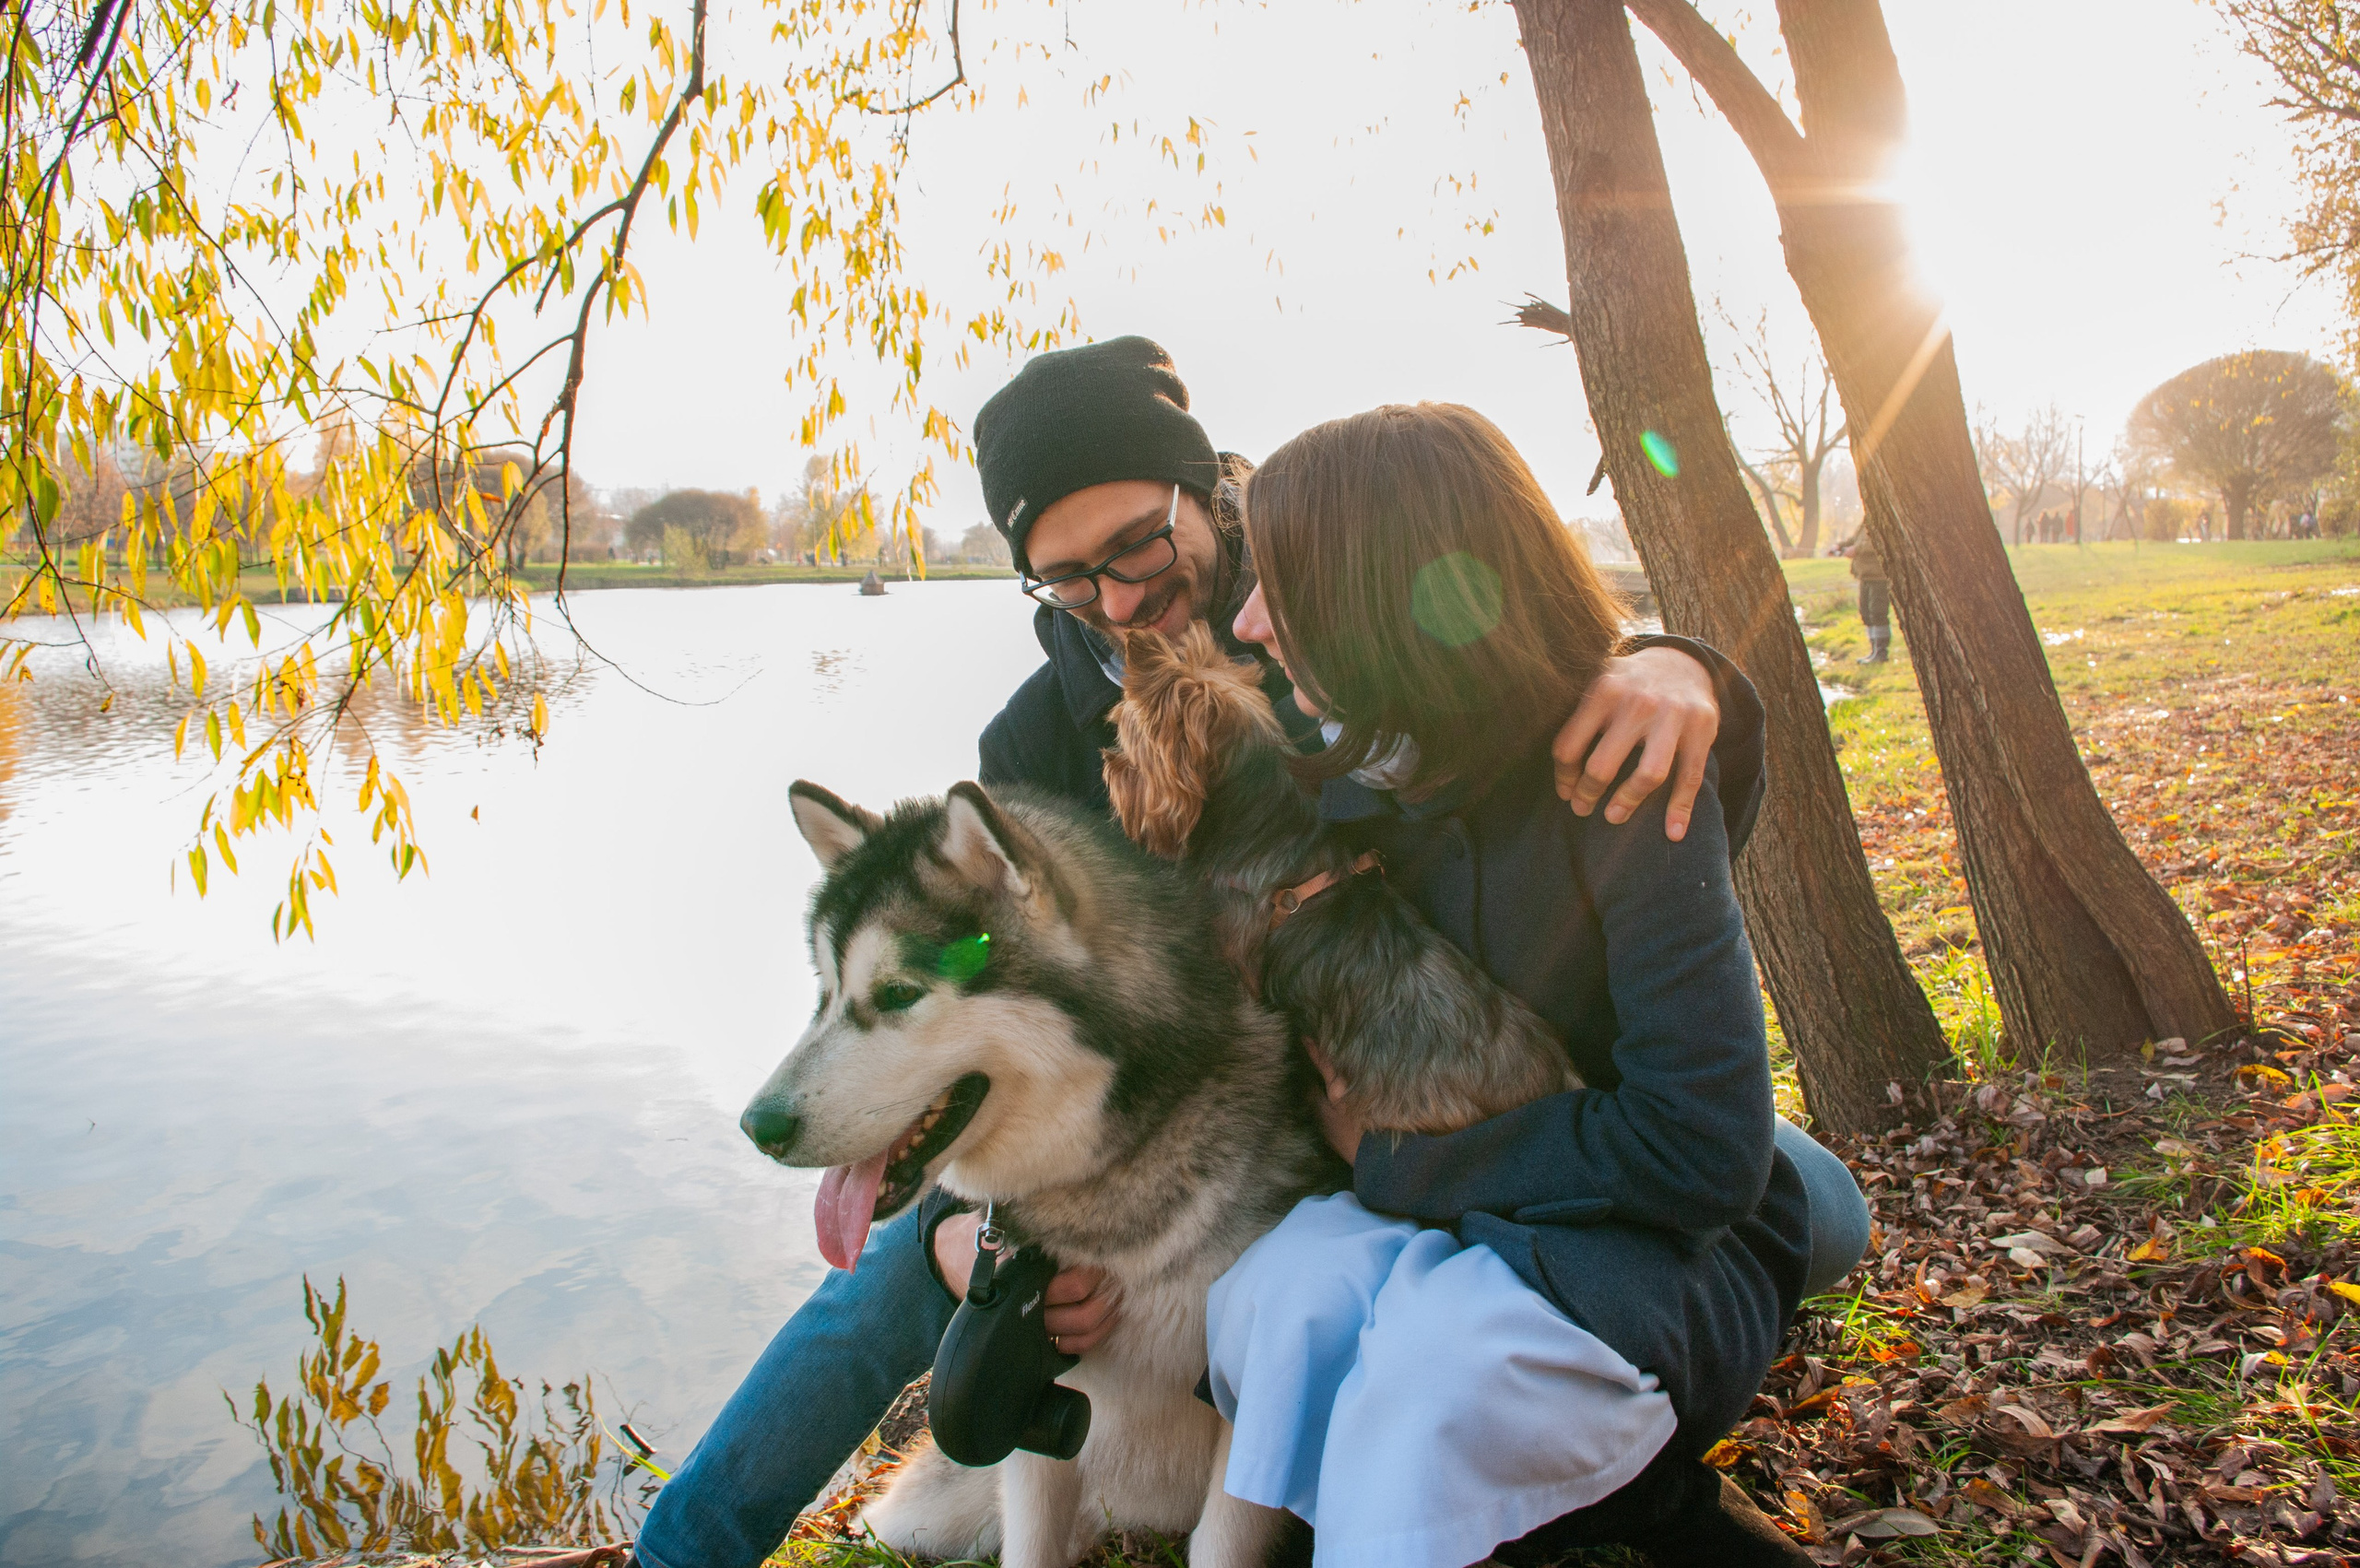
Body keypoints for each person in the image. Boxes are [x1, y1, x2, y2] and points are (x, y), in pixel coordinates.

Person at [628, 338, 1776, 1568]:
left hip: (1372, 1080)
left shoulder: (1330, 605)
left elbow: (1506, 665)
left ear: (1205, 496)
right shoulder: (1037, 736)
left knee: (1794, 1194)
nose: (1116, 601)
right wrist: (989, 1236)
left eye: (1134, 548)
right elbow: (1001, 1001)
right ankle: (686, 1546)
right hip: (1181, 1097)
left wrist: (1682, 665)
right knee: (897, 1266)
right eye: (1066, 582)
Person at [1206, 403, 1853, 1568]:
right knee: (1277, 1295)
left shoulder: (1613, 781)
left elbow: (1701, 1156)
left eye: (1277, 585)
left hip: (1658, 1247)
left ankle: (1627, 1506)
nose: (1248, 621)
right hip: (1498, 1210)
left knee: (1439, 1368)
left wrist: (1399, 1160)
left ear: (1374, 596)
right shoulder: (1353, 790)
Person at [1849, 533, 1892, 664]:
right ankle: (1873, 651)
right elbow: (1854, 538)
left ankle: (1881, 652)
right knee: (1866, 613)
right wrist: (1840, 546)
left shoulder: (1878, 521)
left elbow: (1876, 541)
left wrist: (1856, 549)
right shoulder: (1865, 522)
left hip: (1878, 576)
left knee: (1877, 613)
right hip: (1865, 576)